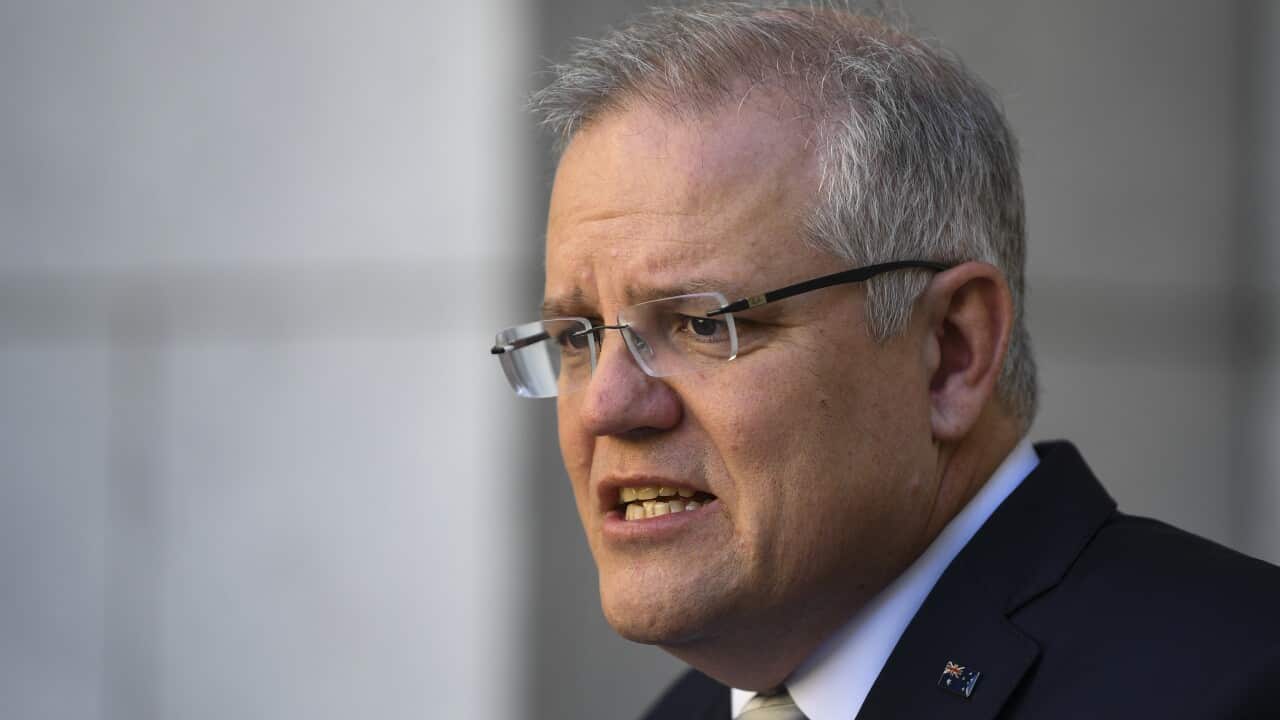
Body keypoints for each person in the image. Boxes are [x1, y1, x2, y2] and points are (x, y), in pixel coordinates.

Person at [491, 3, 1280, 718]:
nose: (605, 405)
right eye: (577, 337)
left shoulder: (1236, 683)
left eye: (702, 324)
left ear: (951, 354)